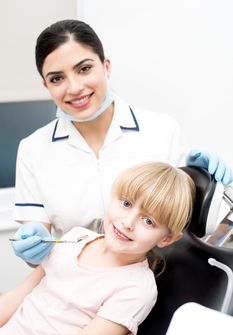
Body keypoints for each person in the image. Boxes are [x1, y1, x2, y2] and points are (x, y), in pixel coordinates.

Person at [12, 19, 233, 266]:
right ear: (46, 85)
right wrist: (34, 246)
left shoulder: (162, 131)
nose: (74, 87)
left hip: (155, 284)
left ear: (106, 66)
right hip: (73, 284)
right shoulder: (33, 149)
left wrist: (201, 182)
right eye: (56, 79)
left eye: (84, 69)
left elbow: (194, 230)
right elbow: (35, 258)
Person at [0, 162, 195, 335]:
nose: (128, 222)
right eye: (126, 203)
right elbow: (18, 296)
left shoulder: (136, 288)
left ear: (167, 239)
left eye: (148, 221)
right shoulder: (77, 237)